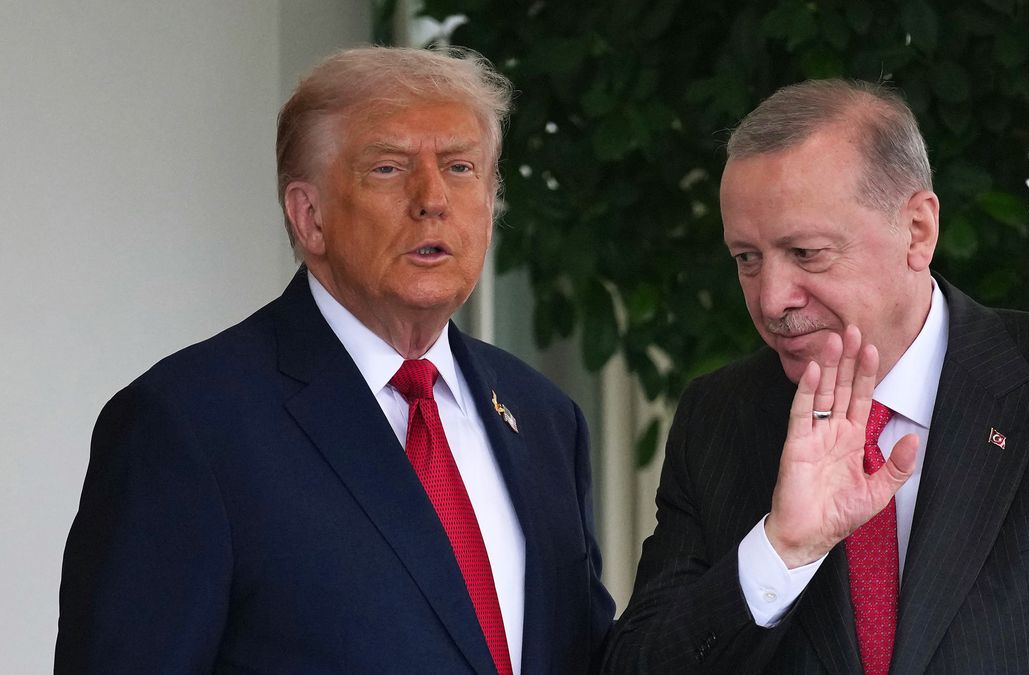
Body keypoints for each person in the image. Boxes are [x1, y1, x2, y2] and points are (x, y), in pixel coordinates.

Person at [603, 79, 1029, 673]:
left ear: (918, 230)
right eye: (747, 259)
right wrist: (781, 552)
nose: (772, 298)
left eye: (807, 253)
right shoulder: (720, 416)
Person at [56, 46, 613, 674]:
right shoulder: (187, 423)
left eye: (460, 167)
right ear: (309, 216)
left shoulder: (543, 417)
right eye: (387, 168)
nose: (433, 199)